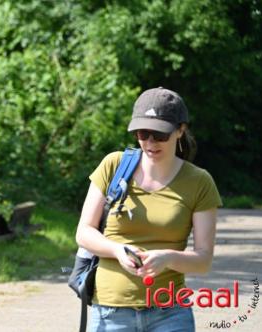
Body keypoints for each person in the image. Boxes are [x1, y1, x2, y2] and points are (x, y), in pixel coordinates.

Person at [76, 87, 221, 331]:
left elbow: (203, 260)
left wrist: (167, 258)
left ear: (180, 130)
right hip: (110, 313)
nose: (150, 143)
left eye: (160, 135)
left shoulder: (199, 181)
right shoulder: (114, 165)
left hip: (171, 313)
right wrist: (117, 249)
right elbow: (84, 232)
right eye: (143, 134)